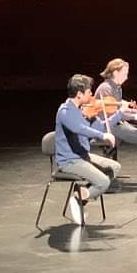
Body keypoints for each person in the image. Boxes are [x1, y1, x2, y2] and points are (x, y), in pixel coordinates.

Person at [54, 73, 123, 225]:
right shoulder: (65, 112)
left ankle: (81, 196)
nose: (92, 94)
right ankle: (78, 198)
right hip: (69, 161)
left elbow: (102, 126)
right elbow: (79, 128)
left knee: (114, 167)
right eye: (89, 92)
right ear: (79, 94)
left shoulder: (84, 111)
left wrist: (120, 114)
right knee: (103, 182)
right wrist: (102, 135)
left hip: (82, 156)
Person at [94, 58, 137, 189]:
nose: (127, 77)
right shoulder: (105, 88)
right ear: (115, 72)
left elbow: (120, 111)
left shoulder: (116, 88)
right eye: (125, 73)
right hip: (107, 126)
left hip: (116, 123)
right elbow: (114, 114)